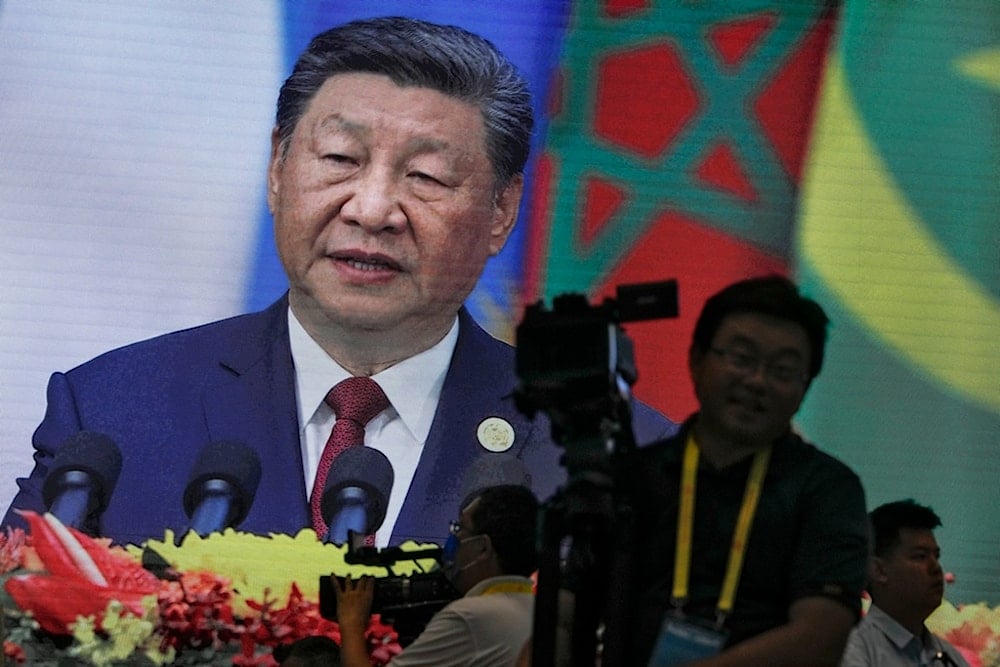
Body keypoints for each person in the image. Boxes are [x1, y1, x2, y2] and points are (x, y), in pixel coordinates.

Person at [1, 16, 675, 548]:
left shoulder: (624, 460)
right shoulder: (112, 411)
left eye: (428, 177)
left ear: (501, 210)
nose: (372, 208)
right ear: (277, 166)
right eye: (341, 159)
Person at [624, 275, 869, 666]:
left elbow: (821, 636)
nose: (757, 381)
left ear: (804, 389)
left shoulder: (828, 490)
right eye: (741, 358)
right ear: (696, 359)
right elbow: (570, 612)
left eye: (783, 371)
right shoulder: (634, 476)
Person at [335, 483, 538, 667]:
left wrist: (351, 623)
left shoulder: (470, 617)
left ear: (482, 548)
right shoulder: (539, 610)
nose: (453, 539)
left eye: (459, 528)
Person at [840, 500, 970, 667]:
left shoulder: (950, 657)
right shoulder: (852, 649)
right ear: (879, 570)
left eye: (936, 557)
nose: (936, 568)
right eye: (920, 556)